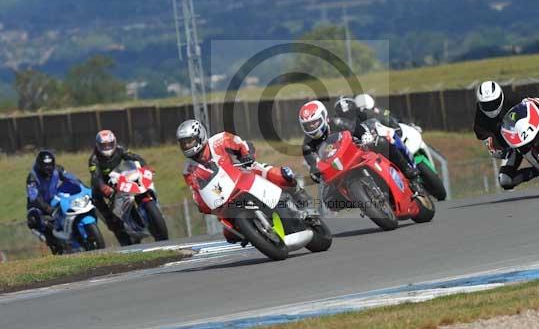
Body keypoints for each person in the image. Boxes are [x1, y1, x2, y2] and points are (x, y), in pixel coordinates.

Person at [177, 119, 312, 244]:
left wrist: (247, 155)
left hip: (243, 172)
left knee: (280, 175)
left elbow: (241, 143)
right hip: (225, 196)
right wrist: (202, 205)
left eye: (190, 141)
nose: (187, 145)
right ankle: (257, 233)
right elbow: (196, 191)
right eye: (184, 143)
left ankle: (299, 195)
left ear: (200, 136)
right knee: (229, 234)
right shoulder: (189, 170)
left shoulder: (219, 140)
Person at [299, 98, 420, 189]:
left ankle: (405, 168)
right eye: (308, 125)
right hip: (337, 168)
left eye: (314, 123)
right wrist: (314, 172)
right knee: (329, 196)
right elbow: (313, 164)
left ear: (324, 117)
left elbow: (355, 127)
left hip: (356, 152)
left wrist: (365, 136)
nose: (312, 127)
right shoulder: (307, 145)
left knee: (382, 142)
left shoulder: (337, 122)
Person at [88, 130, 147, 245]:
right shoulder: (93, 159)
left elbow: (133, 157)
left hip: (119, 178)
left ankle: (143, 215)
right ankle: (119, 230)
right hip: (101, 186)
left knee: (137, 187)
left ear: (114, 142)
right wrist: (103, 187)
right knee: (109, 215)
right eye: (103, 145)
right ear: (98, 145)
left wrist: (144, 166)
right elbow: (95, 177)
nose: (107, 148)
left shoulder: (120, 149)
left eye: (109, 144)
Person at [26, 150, 81, 253]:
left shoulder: (58, 169)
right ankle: (54, 243)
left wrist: (80, 186)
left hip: (55, 202)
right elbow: (34, 197)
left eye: (50, 165)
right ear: (39, 165)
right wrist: (47, 208)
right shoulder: (32, 177)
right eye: (45, 166)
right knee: (35, 217)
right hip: (39, 207)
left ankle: (78, 237)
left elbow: (70, 178)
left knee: (72, 208)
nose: (48, 168)